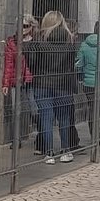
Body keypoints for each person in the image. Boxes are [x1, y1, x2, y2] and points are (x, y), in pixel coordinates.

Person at [24, 11, 78, 164]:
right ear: (62, 22)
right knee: (64, 119)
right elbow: (71, 65)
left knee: (46, 119)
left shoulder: (39, 42)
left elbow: (32, 64)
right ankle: (66, 151)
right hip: (63, 85)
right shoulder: (69, 42)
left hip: (42, 84)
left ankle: (49, 153)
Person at [2, 14, 37, 147]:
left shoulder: (36, 42)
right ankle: (16, 140)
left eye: (25, 26)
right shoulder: (12, 42)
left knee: (34, 109)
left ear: (31, 27)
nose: (22, 29)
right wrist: (6, 83)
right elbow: (8, 63)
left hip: (33, 80)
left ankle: (42, 136)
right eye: (20, 26)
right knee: (16, 109)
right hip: (17, 80)